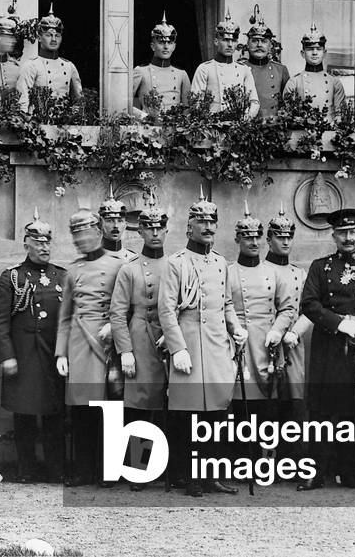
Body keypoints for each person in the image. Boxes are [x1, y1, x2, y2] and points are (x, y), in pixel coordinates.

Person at [157, 188, 246, 497]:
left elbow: (227, 304)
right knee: (189, 414)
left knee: (217, 416)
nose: (208, 228)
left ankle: (212, 476)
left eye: (213, 223)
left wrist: (237, 329)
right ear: (189, 226)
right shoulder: (176, 263)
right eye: (202, 222)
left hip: (218, 347)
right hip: (190, 346)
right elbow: (166, 309)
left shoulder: (221, 263)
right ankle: (188, 476)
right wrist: (177, 348)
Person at [297, 207, 355, 490]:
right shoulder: (320, 267)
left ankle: (350, 470)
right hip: (329, 347)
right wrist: (338, 323)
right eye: (343, 233)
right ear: (334, 236)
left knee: (354, 409)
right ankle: (316, 472)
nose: (349, 238)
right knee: (322, 412)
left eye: (354, 232)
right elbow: (310, 304)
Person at [0, 209, 67, 483]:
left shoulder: (62, 277)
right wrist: (7, 356)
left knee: (54, 414)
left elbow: (69, 319)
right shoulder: (12, 277)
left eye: (47, 242)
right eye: (38, 242)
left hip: (53, 355)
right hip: (23, 356)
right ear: (26, 244)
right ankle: (26, 469)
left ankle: (56, 467)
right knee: (24, 415)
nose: (44, 247)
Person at [55, 209, 124, 487]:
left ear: (98, 233)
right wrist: (61, 352)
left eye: (85, 235)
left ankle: (109, 470)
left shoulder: (120, 264)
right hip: (80, 344)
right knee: (82, 410)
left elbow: (127, 307)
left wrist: (115, 328)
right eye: (77, 237)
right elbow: (65, 315)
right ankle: (83, 470)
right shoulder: (73, 270)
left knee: (108, 409)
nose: (82, 241)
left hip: (108, 343)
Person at [109, 194, 169, 490]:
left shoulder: (177, 265)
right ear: (141, 231)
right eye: (149, 228)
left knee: (174, 404)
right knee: (139, 405)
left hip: (170, 337)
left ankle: (170, 468)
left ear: (166, 231)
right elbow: (117, 314)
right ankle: (137, 469)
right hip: (140, 336)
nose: (155, 233)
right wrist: (126, 352)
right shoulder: (130, 269)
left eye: (160, 228)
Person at [227, 203, 296, 462]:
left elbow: (287, 308)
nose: (253, 242)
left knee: (266, 406)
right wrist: (234, 329)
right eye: (247, 237)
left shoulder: (273, 273)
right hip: (237, 343)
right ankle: (239, 459)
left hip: (267, 344)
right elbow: (223, 305)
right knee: (238, 404)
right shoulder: (228, 271)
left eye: (257, 236)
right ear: (238, 239)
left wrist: (278, 330)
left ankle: (264, 459)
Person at [264, 205, 311, 421]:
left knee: (293, 405)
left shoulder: (299, 274)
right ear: (268, 239)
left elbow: (309, 309)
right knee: (264, 404)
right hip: (264, 343)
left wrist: (296, 333)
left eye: (289, 237)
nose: (285, 242)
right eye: (280, 237)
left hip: (292, 346)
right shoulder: (259, 270)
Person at [190, 11, 259, 115]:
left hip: (238, 125)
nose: (230, 45)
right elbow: (196, 102)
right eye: (225, 40)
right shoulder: (205, 69)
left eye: (233, 41)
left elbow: (254, 102)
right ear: (216, 41)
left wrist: (245, 120)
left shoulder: (243, 69)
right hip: (212, 125)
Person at [17, 4, 83, 113]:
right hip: (38, 122)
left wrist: (73, 119)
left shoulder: (69, 66)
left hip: (64, 124)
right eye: (48, 35)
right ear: (39, 37)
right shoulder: (31, 65)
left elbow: (78, 100)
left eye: (57, 36)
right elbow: (23, 100)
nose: (53, 40)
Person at [282, 23, 348, 122]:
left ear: (324, 53)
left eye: (319, 49)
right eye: (310, 49)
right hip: (302, 133)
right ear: (302, 53)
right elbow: (288, 114)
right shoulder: (294, 82)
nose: (315, 53)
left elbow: (340, 114)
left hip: (330, 132)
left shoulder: (334, 82)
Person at [131, 13, 191, 115]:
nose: (166, 47)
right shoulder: (141, 71)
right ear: (153, 46)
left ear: (174, 47)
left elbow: (187, 108)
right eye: (161, 43)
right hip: (149, 126)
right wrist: (143, 117)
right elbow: (124, 102)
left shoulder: (181, 74)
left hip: (176, 127)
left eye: (169, 43)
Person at [238, 5, 290, 118]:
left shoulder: (281, 70)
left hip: (273, 126)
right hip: (247, 127)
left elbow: (288, 103)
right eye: (255, 41)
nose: (259, 45)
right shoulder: (239, 69)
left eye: (264, 41)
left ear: (271, 45)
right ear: (247, 44)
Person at [99, 187, 137, 261]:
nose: (116, 226)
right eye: (110, 221)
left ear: (125, 224)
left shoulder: (133, 258)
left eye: (120, 221)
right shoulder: (93, 259)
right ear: (100, 223)